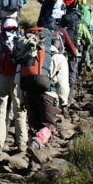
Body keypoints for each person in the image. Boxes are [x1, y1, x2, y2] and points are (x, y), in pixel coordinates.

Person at [19, 35, 69, 164]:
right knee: (49, 126)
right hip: (48, 95)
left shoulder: (30, 54)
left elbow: (18, 78)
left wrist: (21, 99)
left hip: (29, 94)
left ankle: (32, 163)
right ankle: (37, 143)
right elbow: (63, 84)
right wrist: (64, 103)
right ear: (60, 46)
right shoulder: (59, 57)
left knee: (34, 128)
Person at [0, 19, 28, 155]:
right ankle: (22, 144)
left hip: (0, 78)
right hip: (17, 79)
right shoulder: (22, 41)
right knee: (20, 112)